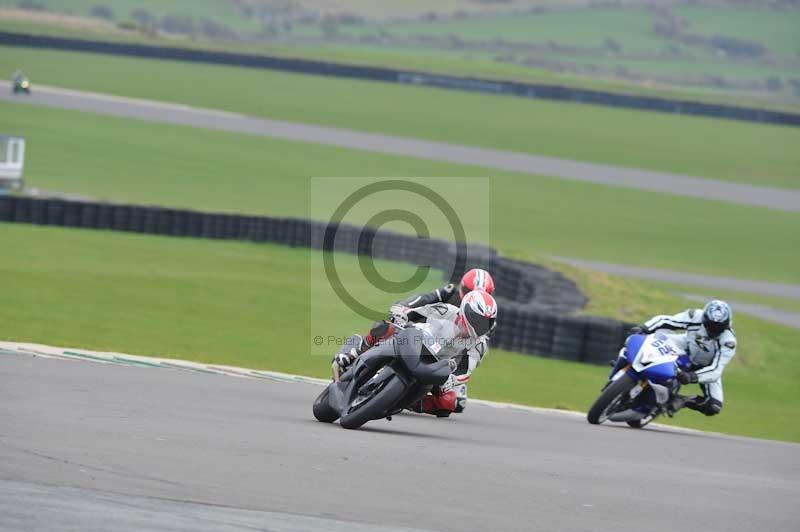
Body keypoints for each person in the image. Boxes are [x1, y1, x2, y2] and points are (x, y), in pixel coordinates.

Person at [334, 268, 495, 412]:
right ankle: (355, 352)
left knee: (453, 403)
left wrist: (452, 379)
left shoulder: (484, 327)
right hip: (421, 333)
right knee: (386, 327)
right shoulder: (449, 296)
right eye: (468, 291)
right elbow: (422, 300)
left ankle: (406, 401)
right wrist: (403, 310)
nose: (471, 296)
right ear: (463, 289)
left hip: (444, 362)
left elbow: (468, 365)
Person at [635, 300, 736, 417]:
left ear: (727, 325)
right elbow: (667, 320)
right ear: (704, 319)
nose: (713, 330)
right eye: (710, 325)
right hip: (684, 346)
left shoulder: (729, 342)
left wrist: (693, 376)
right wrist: (644, 328)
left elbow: (716, 370)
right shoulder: (695, 316)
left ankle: (683, 401)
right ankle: (634, 367)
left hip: (705, 368)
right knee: (654, 340)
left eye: (719, 328)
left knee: (714, 406)